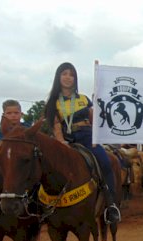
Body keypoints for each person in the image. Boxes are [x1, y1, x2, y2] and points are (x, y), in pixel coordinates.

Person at [44, 62, 121, 224]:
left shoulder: (84, 99)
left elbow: (94, 121)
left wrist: (96, 138)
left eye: (71, 74)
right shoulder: (52, 103)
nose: (68, 77)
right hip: (65, 139)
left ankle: (111, 205)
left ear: (75, 78)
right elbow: (56, 125)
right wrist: (61, 142)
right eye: (64, 73)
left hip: (86, 136)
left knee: (106, 164)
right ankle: (41, 206)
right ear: (58, 77)